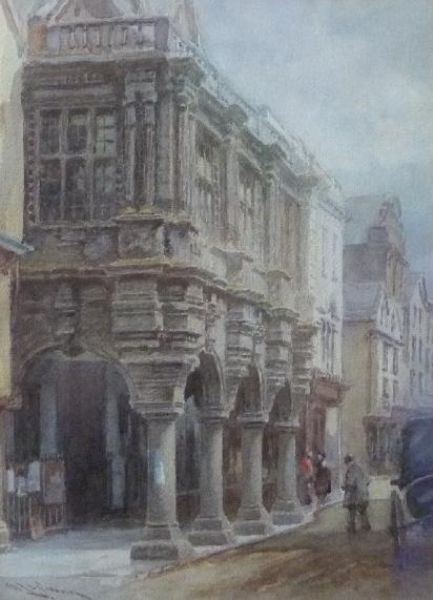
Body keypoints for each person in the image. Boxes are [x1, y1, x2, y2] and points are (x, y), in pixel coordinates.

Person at [342, 454, 371, 534]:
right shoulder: (359, 468)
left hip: (356, 496)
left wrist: (344, 486)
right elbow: (368, 481)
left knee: (352, 510)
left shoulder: (351, 470)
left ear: (347, 462)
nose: (346, 466)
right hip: (363, 494)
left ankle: (351, 528)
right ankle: (366, 526)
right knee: (362, 511)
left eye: (346, 464)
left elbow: (351, 483)